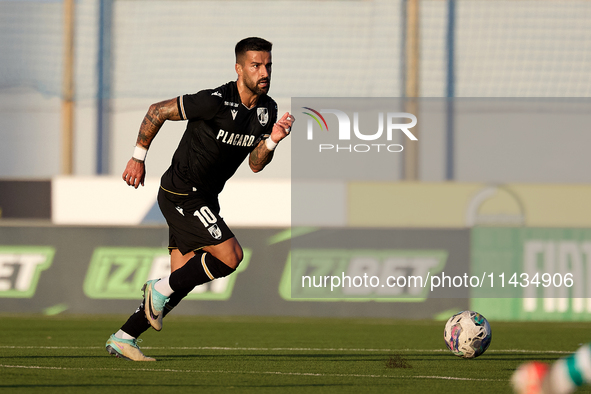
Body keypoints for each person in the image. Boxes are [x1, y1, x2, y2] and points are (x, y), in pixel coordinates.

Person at [105, 37, 294, 361]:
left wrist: (274, 141)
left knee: (180, 282)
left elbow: (255, 163)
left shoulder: (267, 109)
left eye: (268, 65)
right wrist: (138, 157)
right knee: (230, 256)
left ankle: (124, 336)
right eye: (256, 65)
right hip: (182, 192)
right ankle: (157, 289)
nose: (264, 72)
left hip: (206, 197)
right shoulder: (215, 101)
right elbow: (157, 111)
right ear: (239, 69)